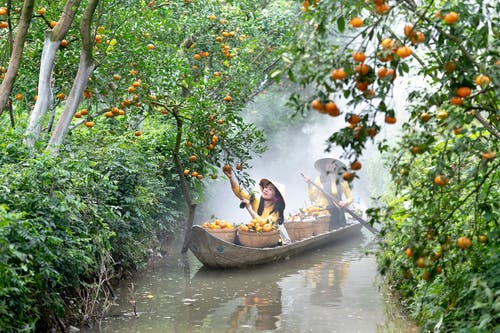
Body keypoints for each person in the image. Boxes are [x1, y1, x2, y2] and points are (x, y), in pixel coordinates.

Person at [223, 166, 291, 243]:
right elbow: (239, 193)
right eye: (266, 187)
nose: (265, 190)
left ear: (276, 197)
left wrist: (250, 209)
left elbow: (264, 224)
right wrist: (231, 178)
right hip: (255, 238)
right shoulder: (256, 201)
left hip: (270, 240)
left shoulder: (276, 212)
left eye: (270, 189)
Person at [304, 157, 353, 230]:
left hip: (338, 212)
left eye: (333, 163)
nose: (330, 165)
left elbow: (350, 198)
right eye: (328, 163)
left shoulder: (342, 181)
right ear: (324, 166)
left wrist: (345, 202)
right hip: (324, 214)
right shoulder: (319, 179)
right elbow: (312, 199)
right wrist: (309, 184)